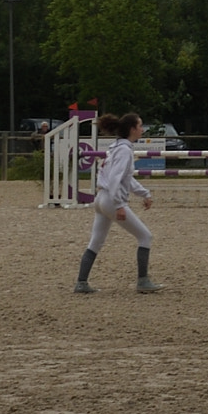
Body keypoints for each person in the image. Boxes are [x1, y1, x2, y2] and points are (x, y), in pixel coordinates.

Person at [74, 112, 162, 294]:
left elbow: (126, 179)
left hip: (100, 199)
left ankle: (81, 283)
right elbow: (115, 179)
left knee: (95, 242)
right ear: (132, 129)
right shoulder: (124, 151)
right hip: (111, 200)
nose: (142, 130)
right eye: (140, 126)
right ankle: (143, 281)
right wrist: (120, 204)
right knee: (145, 236)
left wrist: (144, 193)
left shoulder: (115, 148)